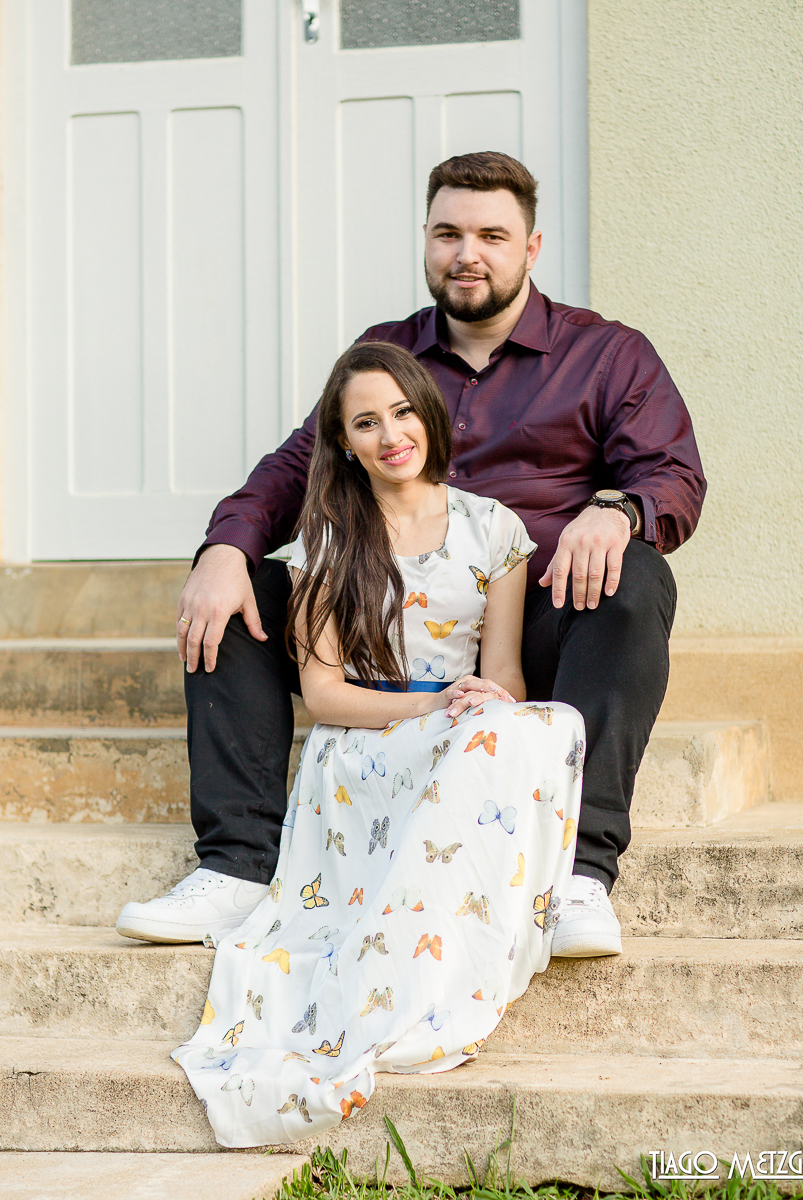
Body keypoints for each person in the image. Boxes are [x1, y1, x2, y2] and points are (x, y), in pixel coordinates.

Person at [116, 151, 705, 956]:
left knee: (634, 578)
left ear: (531, 249)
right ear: (425, 242)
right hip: (377, 610)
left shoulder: (605, 354)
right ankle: (238, 868)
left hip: (523, 610)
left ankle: (579, 875)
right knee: (240, 585)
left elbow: (671, 474)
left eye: (493, 235)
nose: (469, 253)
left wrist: (618, 508)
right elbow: (299, 465)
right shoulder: (386, 353)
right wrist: (224, 545)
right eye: (449, 233)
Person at [171, 341, 585, 1146]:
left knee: (548, 725)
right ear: (345, 441)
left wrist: (477, 703)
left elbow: (501, 674)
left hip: (461, 731)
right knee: (485, 737)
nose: (391, 433)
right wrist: (436, 703)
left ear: (426, 414)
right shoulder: (330, 534)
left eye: (401, 411)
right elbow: (324, 694)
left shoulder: (492, 527)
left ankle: (492, 931)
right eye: (367, 421)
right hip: (364, 740)